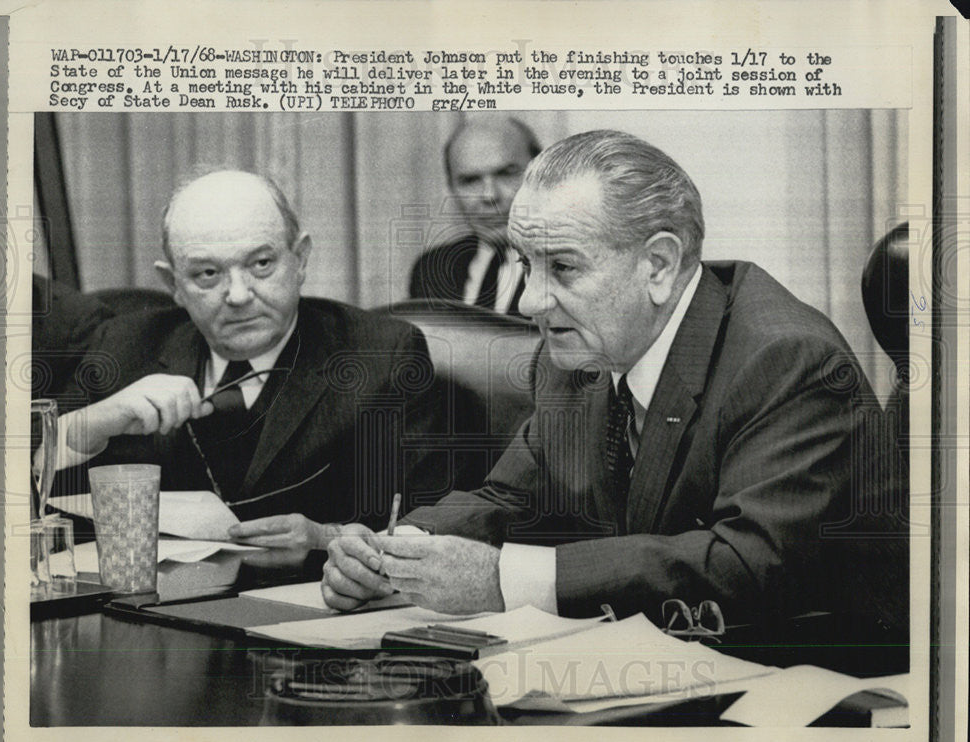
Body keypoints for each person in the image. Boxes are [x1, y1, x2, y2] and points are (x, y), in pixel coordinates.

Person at [323, 130, 903, 630]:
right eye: (526, 264)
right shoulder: (575, 353)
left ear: (658, 265)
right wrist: (398, 553)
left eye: (564, 267)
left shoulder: (787, 360)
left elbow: (748, 564)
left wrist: (508, 579)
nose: (530, 301)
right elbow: (508, 497)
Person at [55, 170, 448, 549]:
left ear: (301, 259)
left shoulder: (381, 356)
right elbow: (22, 497)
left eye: (261, 264)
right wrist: (87, 427)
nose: (239, 295)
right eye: (208, 273)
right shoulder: (125, 346)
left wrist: (326, 538)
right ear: (173, 285)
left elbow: (427, 524)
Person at [408, 117, 541, 315]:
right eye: (470, 181)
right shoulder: (431, 270)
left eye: (506, 174)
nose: (489, 196)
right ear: (451, 187)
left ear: (542, 173)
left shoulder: (568, 265)